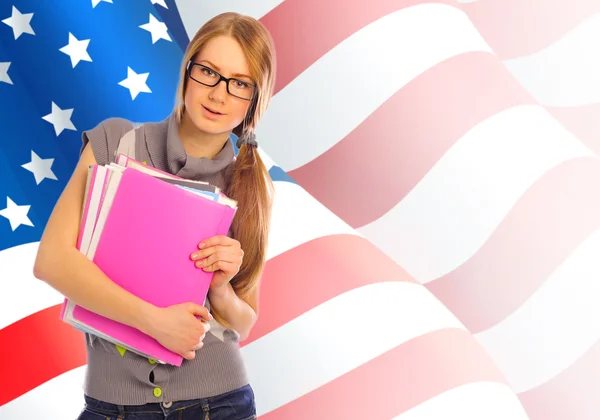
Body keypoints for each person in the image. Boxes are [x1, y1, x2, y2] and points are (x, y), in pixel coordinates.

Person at [33, 11, 275, 420]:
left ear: (254, 100)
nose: (218, 94)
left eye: (239, 84)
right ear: (186, 71)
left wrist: (220, 288)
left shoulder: (250, 184)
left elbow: (243, 322)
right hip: (115, 407)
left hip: (220, 403)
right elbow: (51, 261)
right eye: (209, 73)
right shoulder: (115, 141)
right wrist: (154, 322)